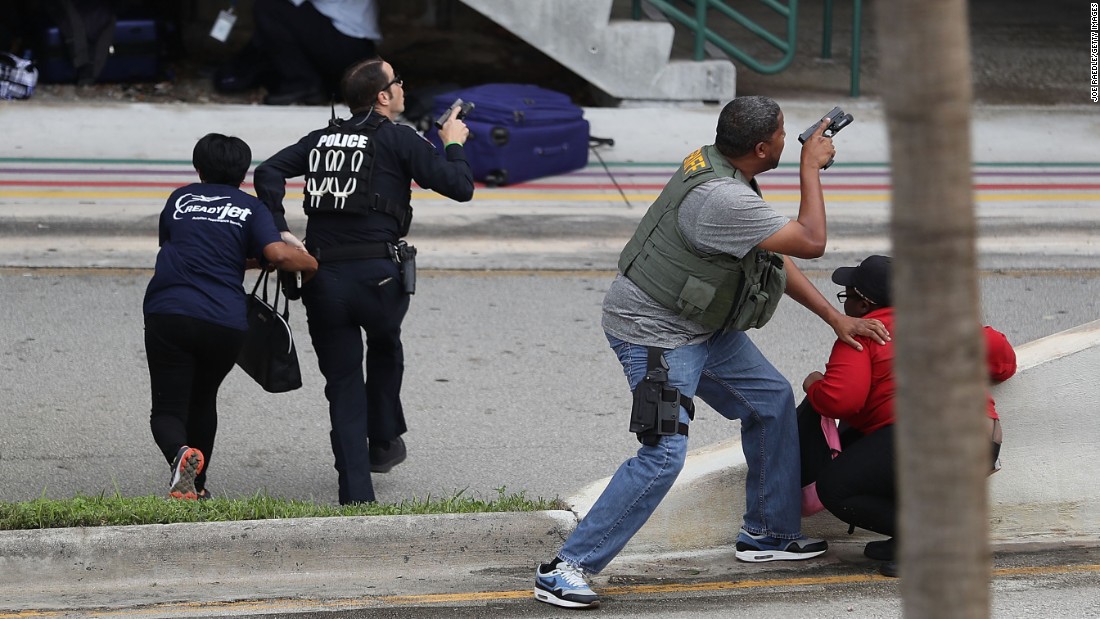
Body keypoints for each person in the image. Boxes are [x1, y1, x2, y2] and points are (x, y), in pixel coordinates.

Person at [532, 96, 891, 610]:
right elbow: (810, 240)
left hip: (701, 325)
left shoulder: (721, 165)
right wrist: (811, 169)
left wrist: (835, 317)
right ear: (764, 148)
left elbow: (768, 251)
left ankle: (768, 533)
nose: (794, 142)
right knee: (663, 455)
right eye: (787, 136)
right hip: (654, 333)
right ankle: (566, 567)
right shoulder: (723, 198)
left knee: (770, 400)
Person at [253, 58, 473, 505]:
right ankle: (386, 437)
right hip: (378, 280)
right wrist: (452, 143)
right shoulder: (400, 138)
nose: (403, 88)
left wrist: (279, 228)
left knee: (344, 383)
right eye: (397, 82)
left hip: (322, 278)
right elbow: (460, 186)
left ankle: (356, 494)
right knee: (387, 342)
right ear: (383, 96)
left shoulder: (320, 140)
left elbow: (267, 171)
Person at [799, 254, 1017, 577]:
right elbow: (1005, 361)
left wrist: (814, 383)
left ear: (863, 305)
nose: (845, 303)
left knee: (834, 486)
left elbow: (842, 400)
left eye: (849, 295)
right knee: (871, 451)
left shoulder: (862, 334)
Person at [144, 133, 318, 500]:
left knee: (167, 408)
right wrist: (312, 263)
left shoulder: (180, 198)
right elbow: (278, 254)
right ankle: (196, 488)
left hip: (169, 311)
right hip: (224, 320)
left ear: (199, 167)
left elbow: (184, 248)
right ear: (244, 172)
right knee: (203, 399)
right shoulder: (252, 207)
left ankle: (180, 457)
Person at [215, 0, 381, 106]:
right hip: (347, 47)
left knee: (268, 7)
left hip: (348, 45)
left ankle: (303, 83)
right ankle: (314, 84)